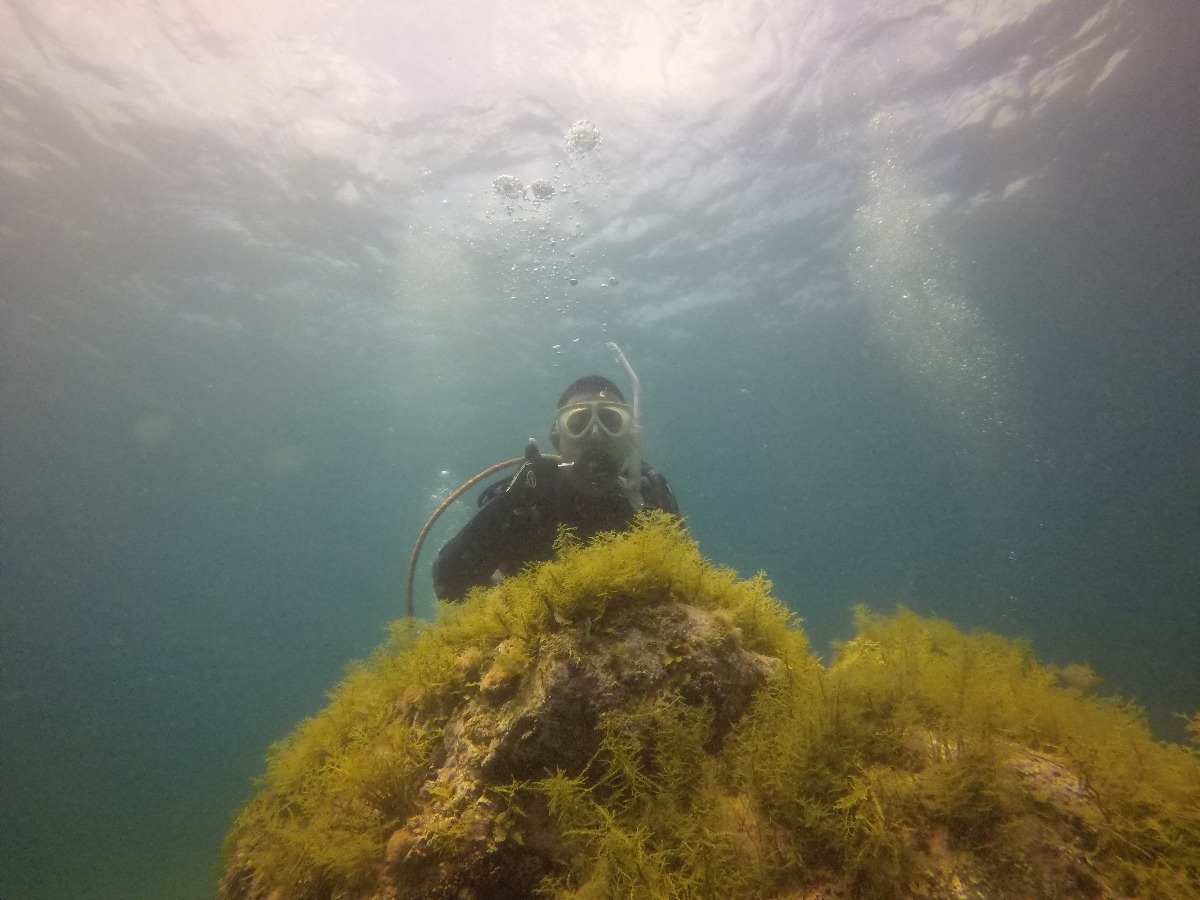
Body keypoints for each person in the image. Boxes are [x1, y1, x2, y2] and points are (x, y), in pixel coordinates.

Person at [432, 375, 679, 601]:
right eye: (578, 422)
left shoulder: (650, 492)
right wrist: (508, 504)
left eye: (612, 421)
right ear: (558, 439)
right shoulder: (528, 498)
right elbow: (447, 583)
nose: (595, 434)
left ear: (630, 439)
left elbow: (682, 583)